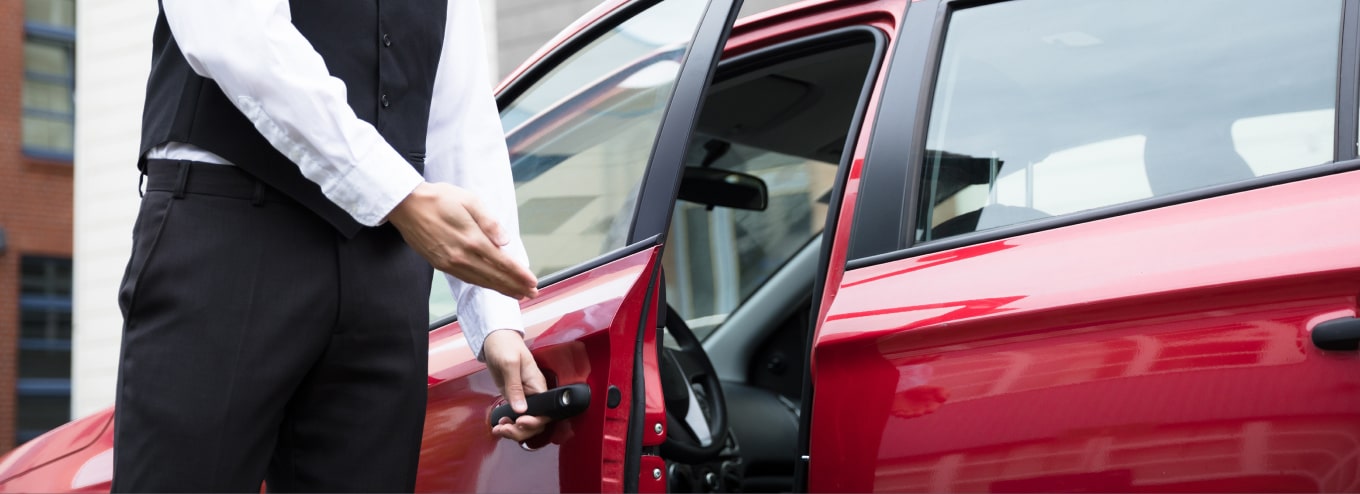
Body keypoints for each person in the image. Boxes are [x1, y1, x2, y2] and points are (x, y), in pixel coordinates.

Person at [113, 1, 548, 491]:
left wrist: (496, 318)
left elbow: (458, 112)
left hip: (386, 266)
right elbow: (232, 33)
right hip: (228, 236)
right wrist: (398, 196)